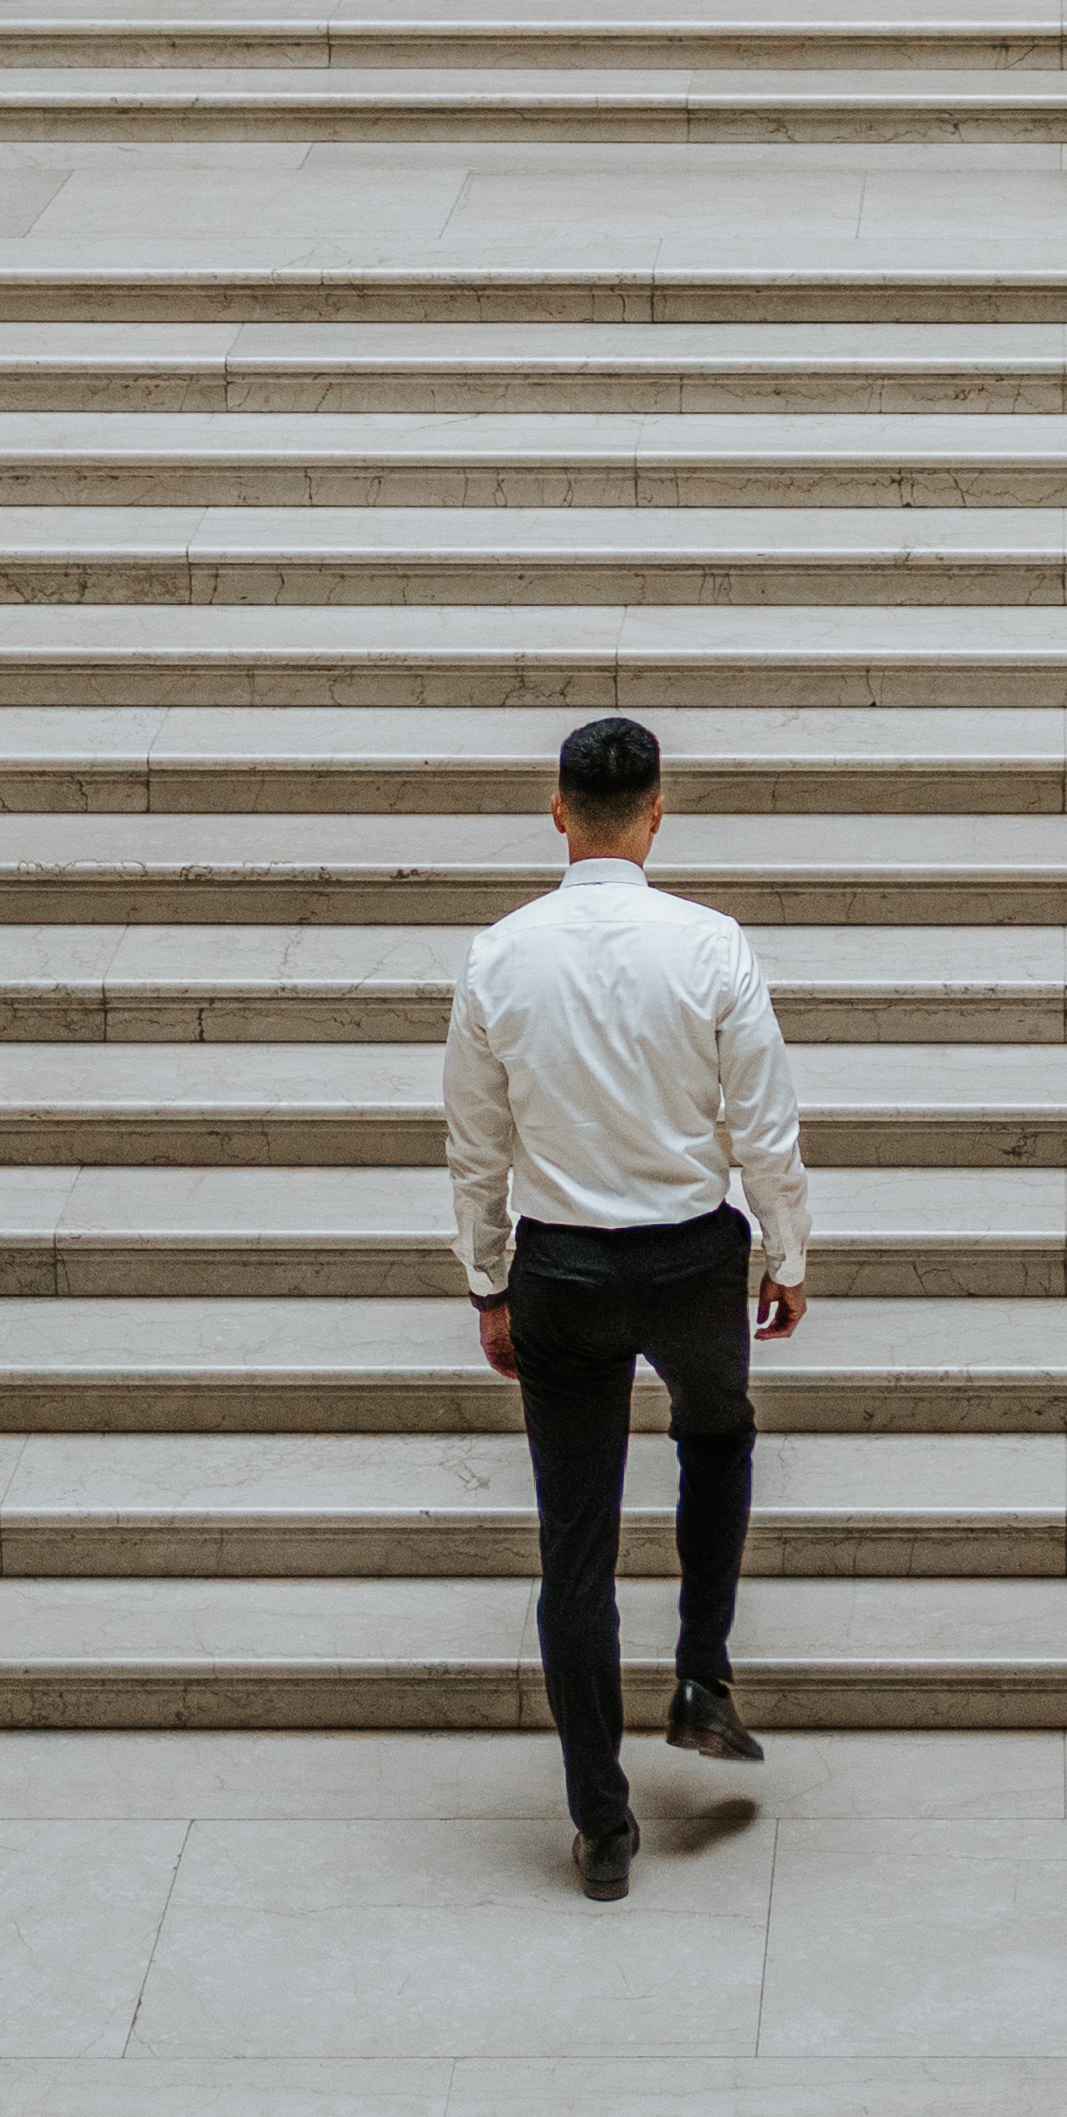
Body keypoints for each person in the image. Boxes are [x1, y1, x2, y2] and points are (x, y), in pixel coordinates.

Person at [444, 709, 813, 1898]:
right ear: (658, 813)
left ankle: (602, 1823)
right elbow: (762, 1125)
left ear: (557, 811)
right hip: (693, 1256)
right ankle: (703, 1673)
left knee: (575, 1551)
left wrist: (488, 1277)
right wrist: (786, 1251)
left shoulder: (500, 953)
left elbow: (475, 1143)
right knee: (718, 1438)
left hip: (562, 1269)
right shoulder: (712, 944)